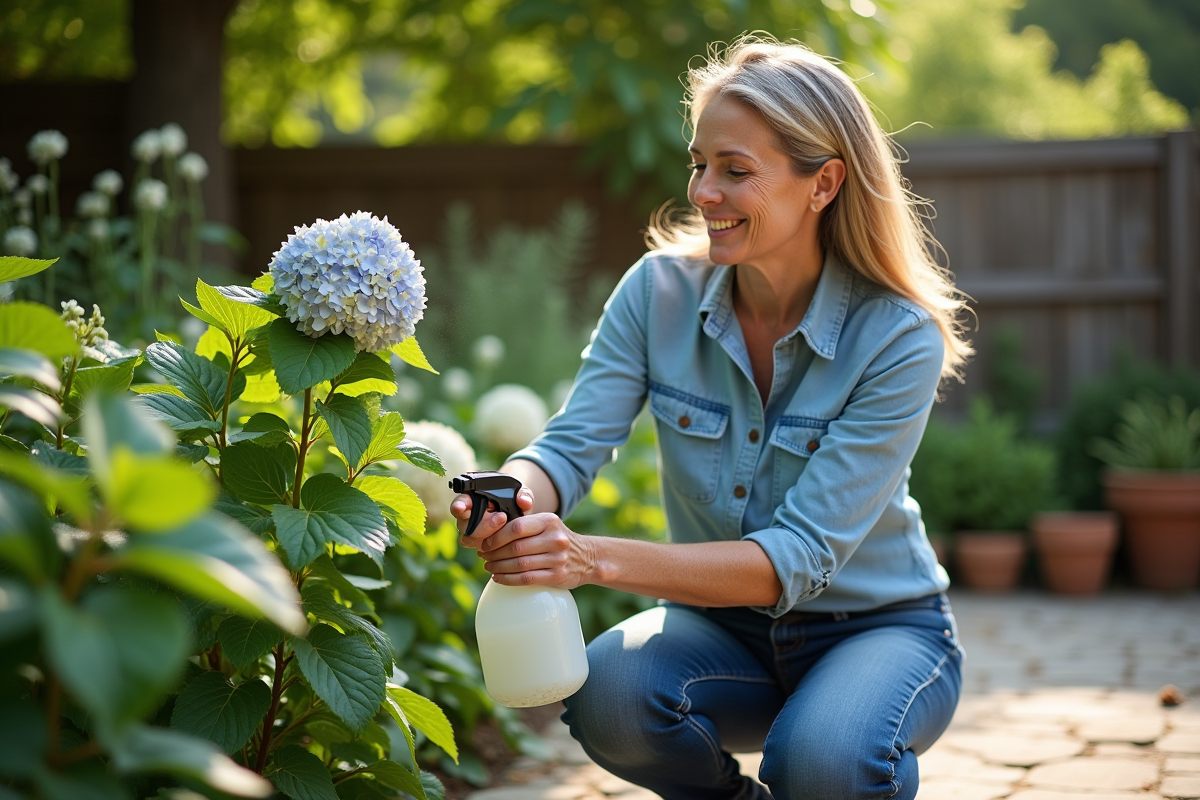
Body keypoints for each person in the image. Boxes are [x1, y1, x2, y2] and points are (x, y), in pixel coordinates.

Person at [451, 36, 972, 800]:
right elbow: (569, 447)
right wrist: (513, 494)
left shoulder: (897, 337)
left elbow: (793, 556)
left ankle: (855, 758)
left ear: (823, 183)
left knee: (822, 762)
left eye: (736, 170)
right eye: (699, 164)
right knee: (612, 696)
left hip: (877, 630)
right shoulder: (656, 292)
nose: (702, 191)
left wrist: (590, 560)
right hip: (723, 636)